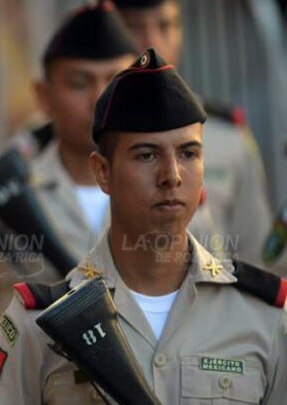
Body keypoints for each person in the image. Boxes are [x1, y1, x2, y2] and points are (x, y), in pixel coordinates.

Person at [0, 48, 287, 405]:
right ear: (102, 172)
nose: (172, 175)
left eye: (188, 153)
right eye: (146, 154)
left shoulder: (262, 317)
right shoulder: (39, 320)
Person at [0, 2, 148, 401]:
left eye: (114, 82)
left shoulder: (172, 192)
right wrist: (21, 353)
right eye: (79, 83)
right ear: (43, 95)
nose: (99, 99)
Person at [113, 0, 272, 267]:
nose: (151, 42)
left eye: (165, 26)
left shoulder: (226, 136)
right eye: (133, 27)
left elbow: (257, 258)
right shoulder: (81, 138)